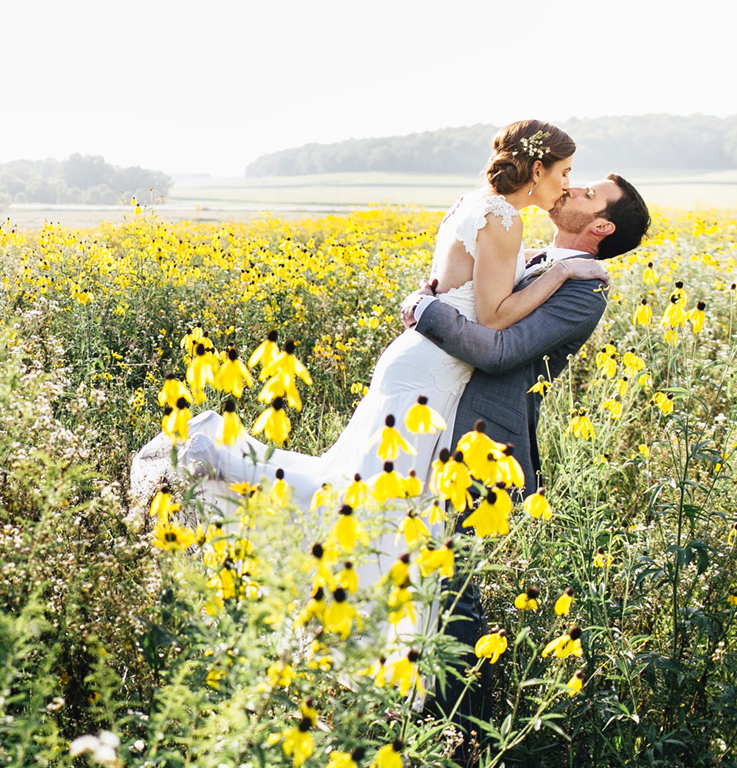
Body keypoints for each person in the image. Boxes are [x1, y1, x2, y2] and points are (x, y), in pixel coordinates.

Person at [129, 120, 608, 636]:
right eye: (565, 172)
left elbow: (465, 289)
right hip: (432, 373)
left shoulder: (477, 206)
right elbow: (492, 319)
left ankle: (378, 640)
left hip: (422, 361)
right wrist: (561, 272)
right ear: (536, 169)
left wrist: (540, 268)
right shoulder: (503, 219)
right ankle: (213, 452)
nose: (567, 184)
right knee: (364, 498)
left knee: (378, 501)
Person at [400, 171, 651, 719]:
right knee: (417, 562)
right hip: (439, 416)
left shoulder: (586, 290)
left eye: (588, 194)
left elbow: (499, 352)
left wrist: (427, 311)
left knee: (452, 581)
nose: (573, 188)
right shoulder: (539, 258)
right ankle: (417, 701)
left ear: (602, 226)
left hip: (483, 441)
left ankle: (463, 726)